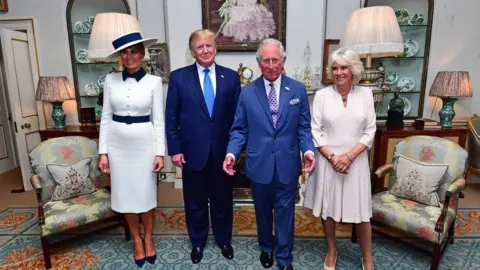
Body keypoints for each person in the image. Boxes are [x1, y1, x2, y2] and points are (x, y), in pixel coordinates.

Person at [223, 38, 315, 270]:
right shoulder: (247, 93)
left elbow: (304, 127)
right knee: (262, 211)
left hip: (287, 161)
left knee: (285, 212)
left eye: (276, 60)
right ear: (258, 62)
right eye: (266, 60)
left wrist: (308, 150)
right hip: (258, 162)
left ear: (283, 60)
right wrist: (232, 154)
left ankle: (284, 258)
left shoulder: (297, 89)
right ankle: (266, 247)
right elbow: (239, 130)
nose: (271, 65)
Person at [165, 29, 241, 264]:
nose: (206, 50)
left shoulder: (230, 77)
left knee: (223, 201)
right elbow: (171, 118)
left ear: (215, 48)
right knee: (194, 202)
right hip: (191, 153)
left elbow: (238, 118)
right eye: (200, 47)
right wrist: (175, 149)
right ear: (192, 51)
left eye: (209, 46)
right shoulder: (178, 78)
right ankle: (197, 242)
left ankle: (223, 240)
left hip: (222, 154)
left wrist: (234, 150)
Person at [303, 48, 376, 270]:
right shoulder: (322, 96)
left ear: (353, 70)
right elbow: (315, 131)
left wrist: (349, 156)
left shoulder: (366, 94)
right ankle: (332, 251)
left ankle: (367, 256)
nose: (339, 72)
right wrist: (334, 158)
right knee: (329, 210)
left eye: (344, 67)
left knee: (362, 214)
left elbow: (370, 130)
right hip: (328, 162)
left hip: (357, 161)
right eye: (335, 68)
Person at [98, 31, 165, 268]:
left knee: (146, 196)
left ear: (142, 54)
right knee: (126, 196)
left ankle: (149, 238)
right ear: (120, 56)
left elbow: (159, 120)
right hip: (117, 146)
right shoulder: (110, 80)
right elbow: (105, 117)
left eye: (134, 51)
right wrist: (102, 152)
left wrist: (160, 153)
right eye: (124, 52)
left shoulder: (154, 82)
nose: (129, 56)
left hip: (144, 145)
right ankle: (136, 240)